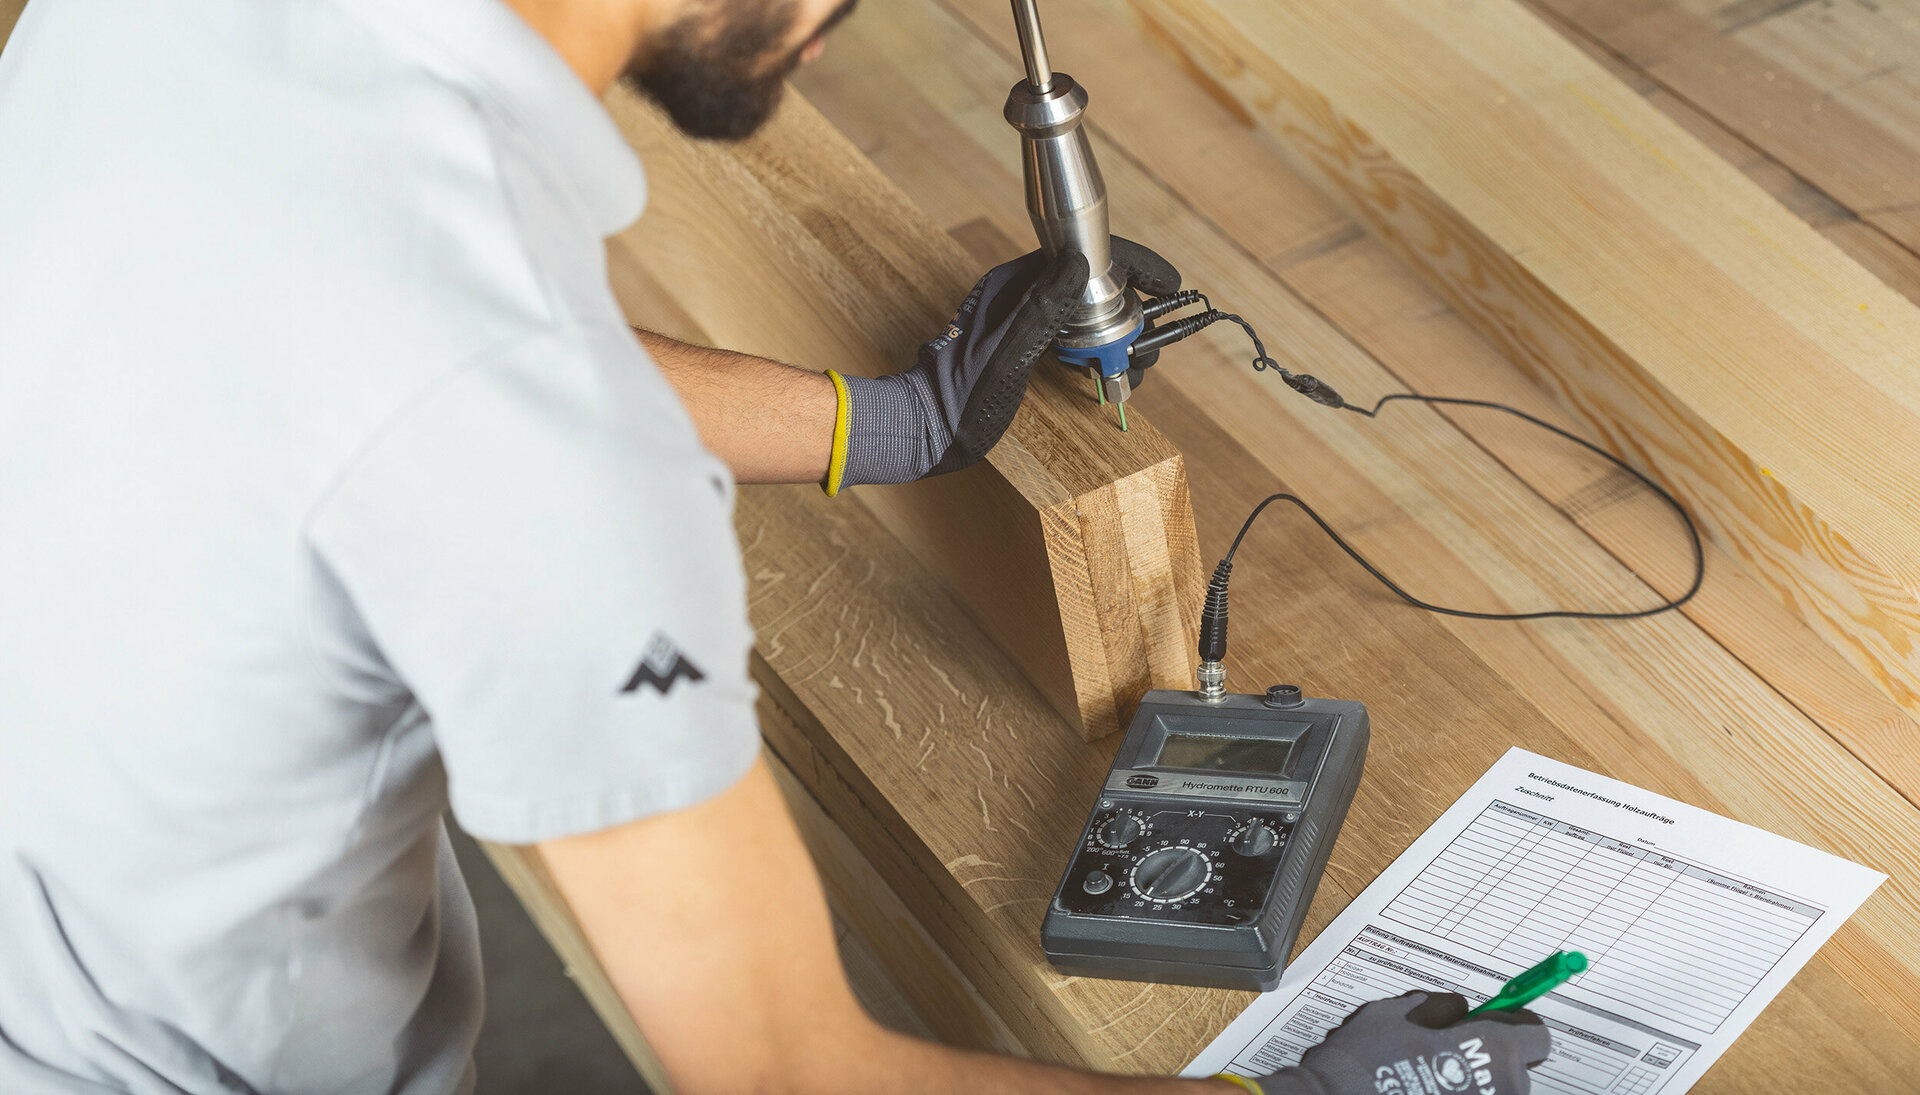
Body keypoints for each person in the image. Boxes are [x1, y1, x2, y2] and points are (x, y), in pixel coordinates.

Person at [0, 0, 1552, 1091]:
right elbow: (780, 1068)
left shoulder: (162, 25)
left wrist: (888, 428)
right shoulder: (536, 459)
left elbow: (368, 350)